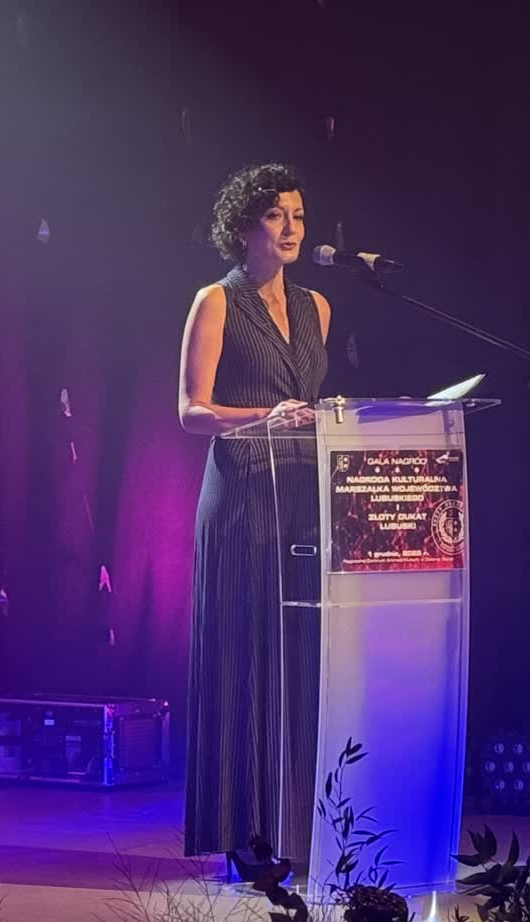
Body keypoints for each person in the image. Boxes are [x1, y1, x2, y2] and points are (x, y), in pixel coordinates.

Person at [178, 164, 330, 865]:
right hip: (240, 496)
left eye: (298, 214)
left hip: (302, 498)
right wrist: (265, 417)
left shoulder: (317, 306)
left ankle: (297, 825)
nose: (292, 227)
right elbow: (191, 411)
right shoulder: (215, 301)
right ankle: (241, 832)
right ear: (244, 228)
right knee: (243, 659)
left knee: (296, 661)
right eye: (276, 216)